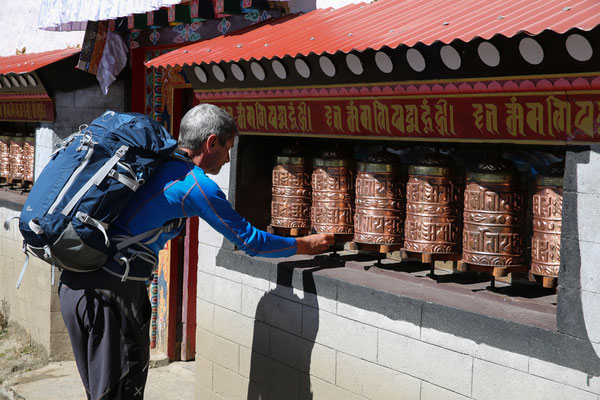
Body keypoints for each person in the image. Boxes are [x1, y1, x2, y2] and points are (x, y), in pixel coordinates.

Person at [58, 103, 334, 400]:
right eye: (228, 148)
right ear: (211, 142)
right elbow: (250, 241)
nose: (228, 159)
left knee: (102, 392)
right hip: (111, 295)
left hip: (75, 284)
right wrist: (305, 245)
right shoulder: (194, 184)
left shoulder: (154, 164)